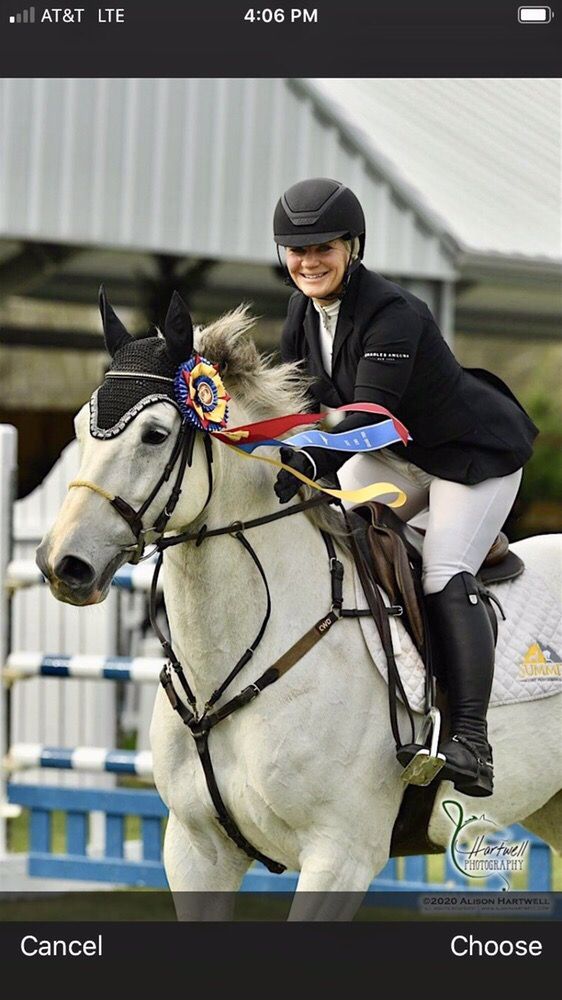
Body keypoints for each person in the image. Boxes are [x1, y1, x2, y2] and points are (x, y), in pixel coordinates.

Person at [272, 177, 539, 797]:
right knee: (339, 535)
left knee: (442, 568)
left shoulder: (395, 313)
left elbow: (366, 420)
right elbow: (300, 404)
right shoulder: (299, 312)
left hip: (468, 456)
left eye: (324, 249)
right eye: (297, 251)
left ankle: (472, 739)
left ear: (353, 248)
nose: (310, 263)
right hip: (398, 458)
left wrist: (297, 454)